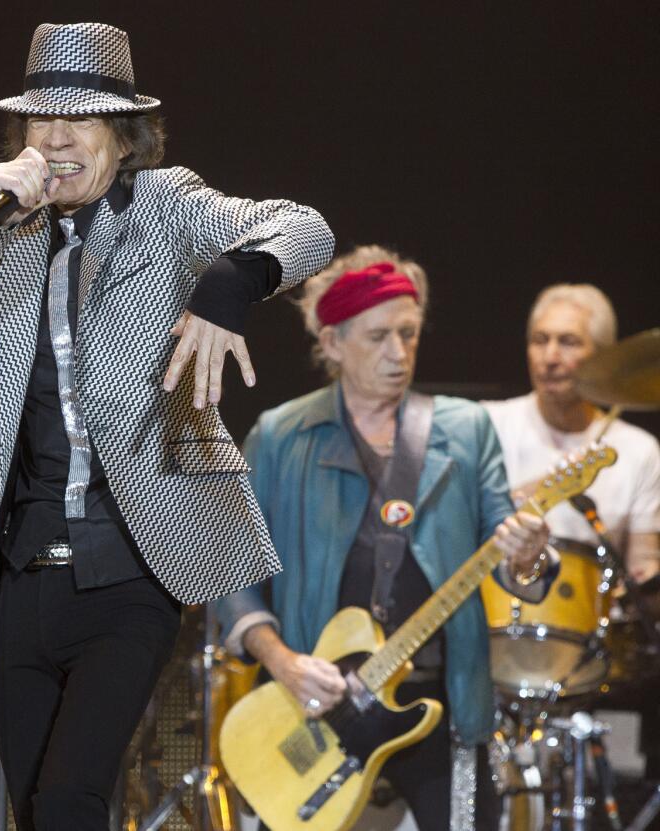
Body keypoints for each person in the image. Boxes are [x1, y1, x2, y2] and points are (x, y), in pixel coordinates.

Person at [0, 22, 333, 831]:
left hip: (130, 569)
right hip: (25, 571)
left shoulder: (166, 206)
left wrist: (228, 284)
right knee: (30, 809)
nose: (55, 140)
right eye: (39, 121)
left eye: (79, 121)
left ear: (123, 138)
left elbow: (306, 227)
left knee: (71, 798)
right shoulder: (11, 231)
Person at [217, 246, 553, 830]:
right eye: (377, 337)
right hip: (315, 706)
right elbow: (230, 570)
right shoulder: (280, 436)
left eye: (409, 334)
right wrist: (284, 661)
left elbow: (513, 557)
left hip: (440, 701)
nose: (399, 354)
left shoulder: (467, 429)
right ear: (332, 344)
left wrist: (527, 555)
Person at [483, 283, 660, 582]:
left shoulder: (638, 450)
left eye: (568, 342)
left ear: (604, 357)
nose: (550, 357)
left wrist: (648, 577)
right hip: (496, 614)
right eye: (540, 340)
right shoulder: (487, 424)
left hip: (593, 621)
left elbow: (643, 566)